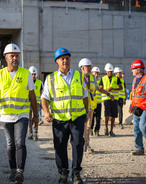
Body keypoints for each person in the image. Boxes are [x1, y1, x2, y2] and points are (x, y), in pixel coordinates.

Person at [0, 43, 38, 184]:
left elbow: (32, 95)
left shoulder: (26, 74)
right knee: (10, 144)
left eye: (17, 56)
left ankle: (19, 171)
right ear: (6, 57)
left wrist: (35, 115)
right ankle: (12, 169)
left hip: (22, 114)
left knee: (20, 143)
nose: (15, 58)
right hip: (5, 115)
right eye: (12, 56)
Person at [41, 48, 88, 184]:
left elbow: (85, 95)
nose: (65, 61)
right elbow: (44, 98)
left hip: (77, 117)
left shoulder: (79, 76)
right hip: (60, 119)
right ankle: (63, 173)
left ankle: (76, 173)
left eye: (67, 58)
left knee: (78, 144)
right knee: (60, 145)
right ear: (57, 62)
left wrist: (86, 111)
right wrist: (46, 112)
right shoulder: (50, 79)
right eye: (62, 59)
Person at [79, 59, 114, 153]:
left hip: (90, 107)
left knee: (88, 126)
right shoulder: (77, 78)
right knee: (82, 126)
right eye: (88, 67)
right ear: (82, 68)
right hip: (81, 107)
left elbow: (99, 89)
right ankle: (81, 144)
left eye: (90, 66)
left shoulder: (92, 78)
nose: (90, 68)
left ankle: (86, 144)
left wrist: (108, 94)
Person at [100, 63, 122, 137]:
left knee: (113, 115)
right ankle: (106, 127)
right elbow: (100, 89)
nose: (110, 73)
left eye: (111, 71)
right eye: (108, 71)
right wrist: (107, 89)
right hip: (106, 99)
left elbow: (121, 87)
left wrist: (113, 89)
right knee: (107, 114)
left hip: (114, 99)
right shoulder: (102, 79)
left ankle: (111, 130)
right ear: (105, 71)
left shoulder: (116, 78)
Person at [27, 66, 43, 141]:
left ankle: (35, 133)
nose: (33, 76)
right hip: (29, 103)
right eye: (32, 74)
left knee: (36, 118)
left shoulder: (40, 83)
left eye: (34, 74)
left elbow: (41, 93)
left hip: (37, 104)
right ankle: (30, 133)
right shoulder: (27, 82)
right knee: (29, 119)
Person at [91, 66, 103, 136]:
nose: (96, 75)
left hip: (98, 102)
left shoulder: (100, 81)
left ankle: (97, 130)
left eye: (97, 73)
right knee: (92, 117)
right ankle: (91, 129)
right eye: (95, 73)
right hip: (92, 103)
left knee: (98, 118)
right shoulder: (90, 80)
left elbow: (101, 88)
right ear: (92, 73)